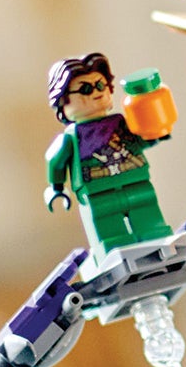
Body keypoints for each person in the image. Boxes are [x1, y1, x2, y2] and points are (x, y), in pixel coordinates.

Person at [45, 52, 175, 257]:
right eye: (86, 89)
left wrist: (156, 131)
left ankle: (156, 238)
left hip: (136, 180)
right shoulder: (71, 137)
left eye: (100, 85)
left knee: (148, 216)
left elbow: (138, 140)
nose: (96, 93)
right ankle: (115, 250)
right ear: (62, 100)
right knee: (110, 230)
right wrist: (56, 188)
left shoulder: (119, 122)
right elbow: (56, 162)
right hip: (98, 192)